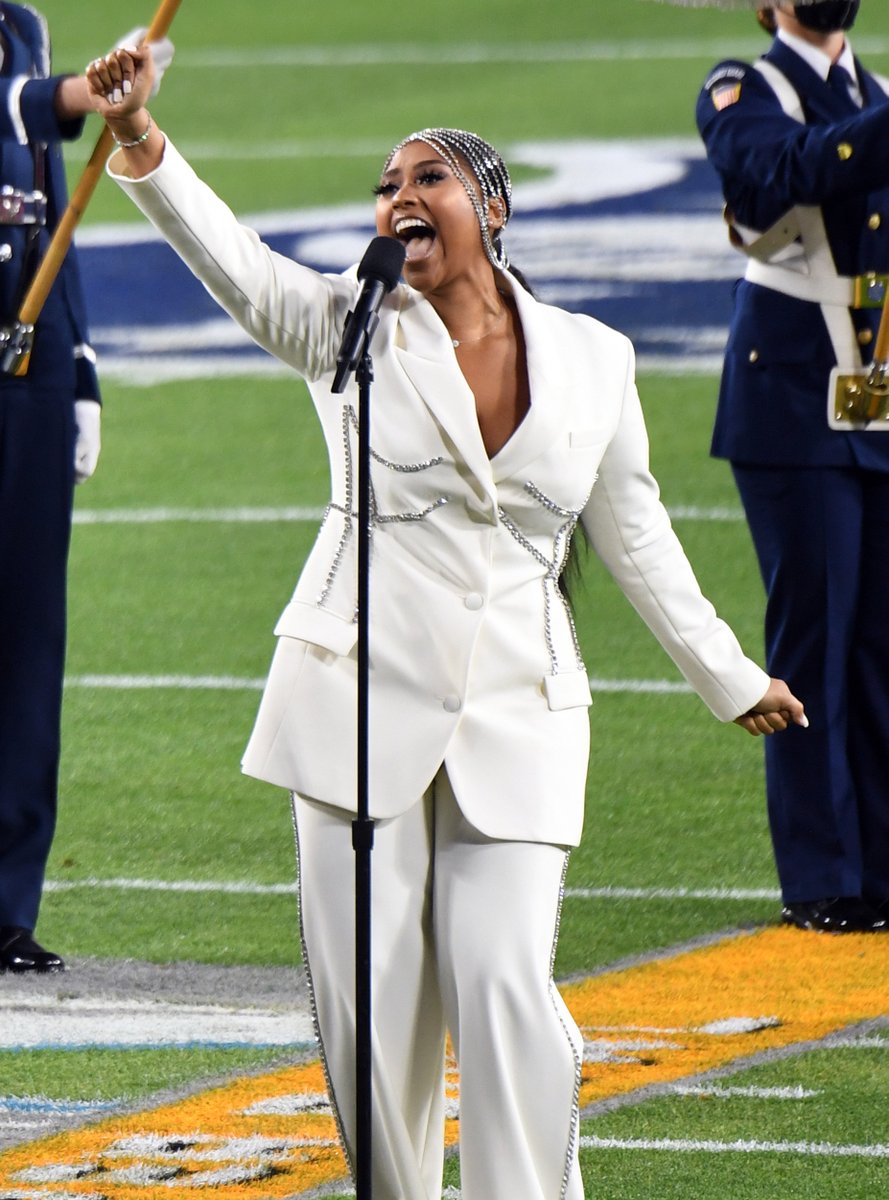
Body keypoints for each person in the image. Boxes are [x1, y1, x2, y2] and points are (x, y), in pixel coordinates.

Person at [87, 45, 806, 1200]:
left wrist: (727, 674)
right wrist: (141, 142)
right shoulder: (351, 329)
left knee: (506, 981)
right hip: (350, 707)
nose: (398, 196)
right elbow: (235, 264)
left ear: (492, 206)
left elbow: (633, 534)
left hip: (519, 714)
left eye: (428, 177)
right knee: (373, 1017)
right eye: (385, 184)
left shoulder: (593, 358)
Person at [696, 0, 889, 935]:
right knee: (815, 638)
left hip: (874, 398)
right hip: (789, 401)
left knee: (881, 645)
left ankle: (881, 869)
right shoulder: (740, 87)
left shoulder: (871, 92)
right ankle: (821, 876)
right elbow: (779, 170)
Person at [0, 8, 173, 975]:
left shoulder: (21, 20)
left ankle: (5, 908)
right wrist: (73, 98)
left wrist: (83, 365)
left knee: (28, 638)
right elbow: (21, 111)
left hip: (30, 361)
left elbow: (51, 195)